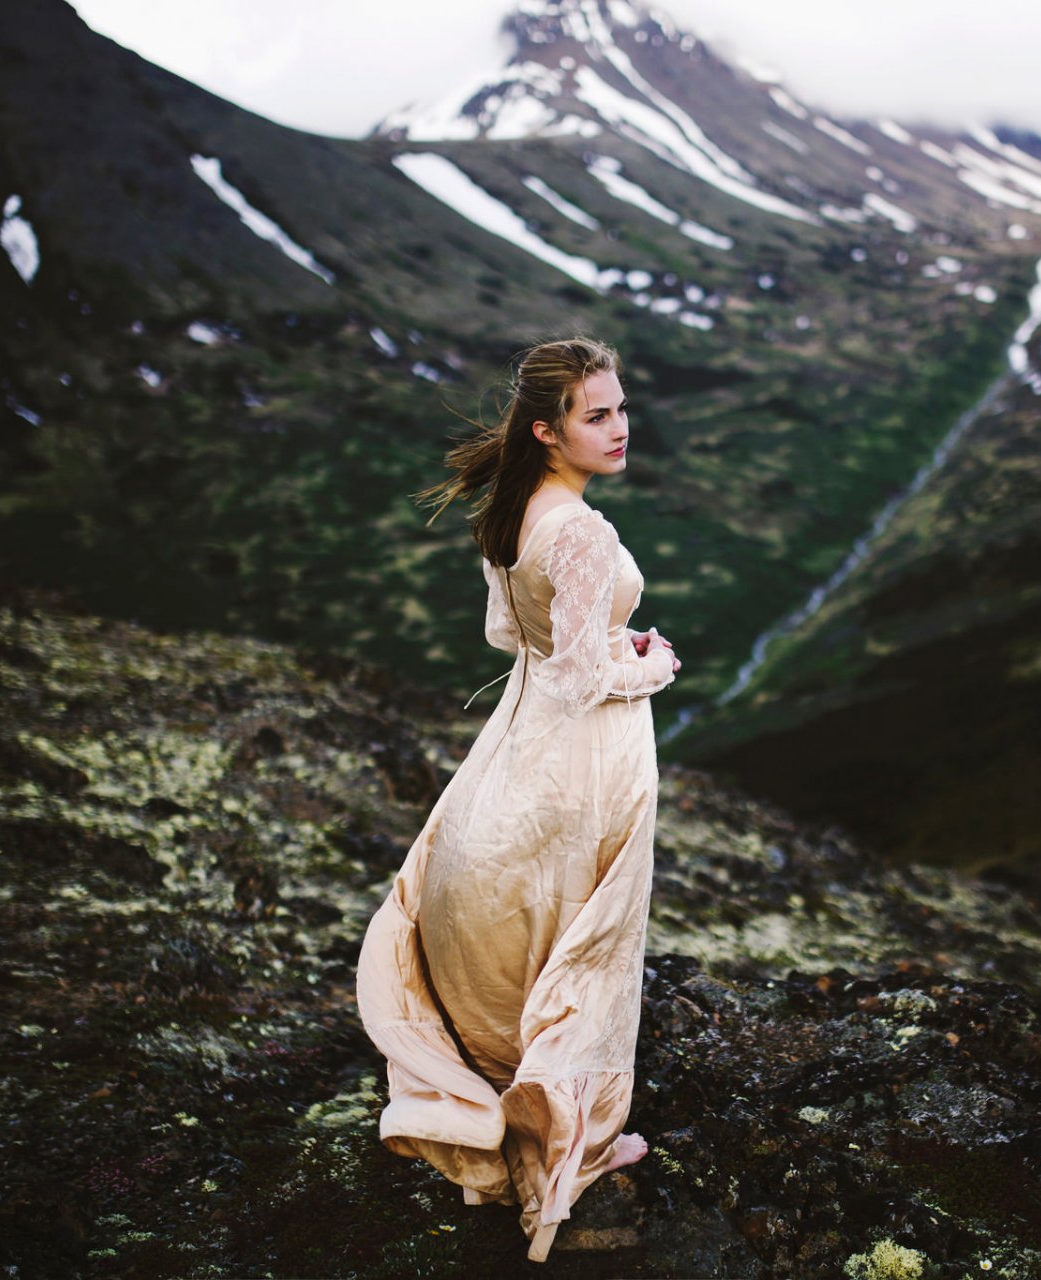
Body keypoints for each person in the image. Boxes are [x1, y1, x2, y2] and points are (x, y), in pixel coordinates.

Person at [355, 336, 681, 1262]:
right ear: (548, 429)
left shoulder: (515, 510)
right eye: (597, 415)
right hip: (580, 758)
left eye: (621, 408)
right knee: (591, 935)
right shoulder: (581, 531)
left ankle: (521, 1087)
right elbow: (583, 676)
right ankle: (573, 1129)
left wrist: (597, 643)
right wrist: (648, 661)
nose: (620, 429)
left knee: (536, 919)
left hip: (516, 745)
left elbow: (511, 631)